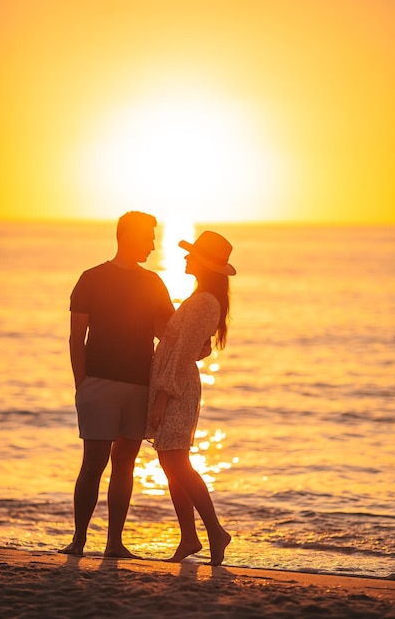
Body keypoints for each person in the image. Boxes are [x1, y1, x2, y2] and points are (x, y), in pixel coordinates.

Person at [61, 211, 176, 558]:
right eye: (148, 237)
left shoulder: (153, 283)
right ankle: (79, 541)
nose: (153, 245)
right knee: (93, 463)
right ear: (127, 236)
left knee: (125, 463)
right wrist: (82, 386)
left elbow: (166, 334)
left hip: (141, 385)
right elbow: (75, 339)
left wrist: (199, 335)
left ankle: (114, 544)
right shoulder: (91, 278)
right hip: (99, 384)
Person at [146, 230, 236, 566]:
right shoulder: (203, 299)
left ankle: (214, 532)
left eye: (191, 254)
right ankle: (190, 536)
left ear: (204, 263)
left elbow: (183, 354)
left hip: (177, 390)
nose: (185, 258)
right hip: (176, 386)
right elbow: (192, 347)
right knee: (171, 463)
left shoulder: (203, 302)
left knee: (176, 462)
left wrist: (161, 400)